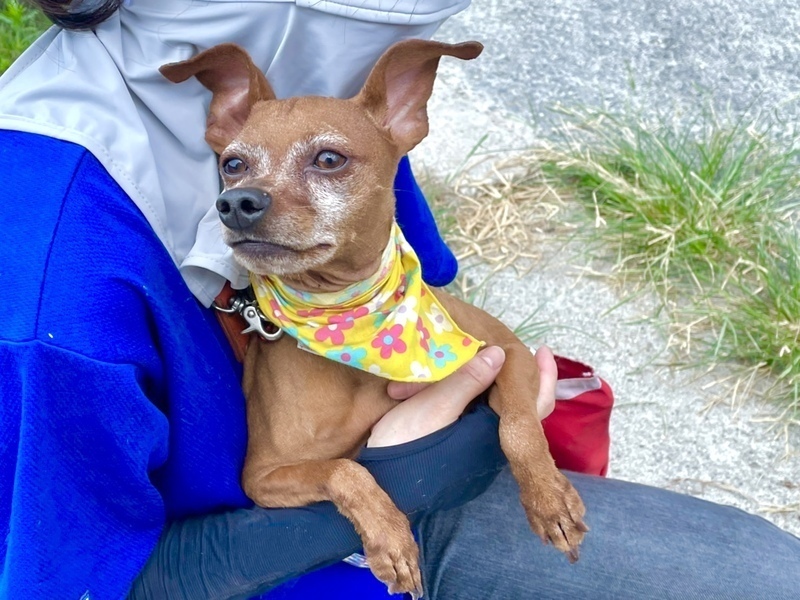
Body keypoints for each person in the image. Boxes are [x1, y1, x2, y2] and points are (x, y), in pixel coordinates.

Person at [0, 1, 798, 599]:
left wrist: (507, 428)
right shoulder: (47, 303)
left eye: (326, 164)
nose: (245, 199)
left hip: (403, 478)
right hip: (270, 554)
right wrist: (408, 471)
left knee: (766, 569)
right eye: (238, 172)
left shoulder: (316, 83)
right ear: (224, 122)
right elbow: (92, 580)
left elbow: (444, 312)